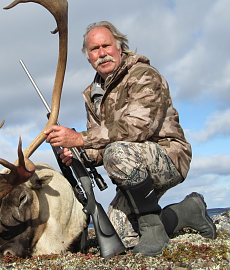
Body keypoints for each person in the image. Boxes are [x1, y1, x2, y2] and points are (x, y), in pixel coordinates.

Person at [44, 21, 217, 256]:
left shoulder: (144, 75)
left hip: (168, 157)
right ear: (88, 58)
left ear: (120, 46)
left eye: (106, 45)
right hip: (130, 166)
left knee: (118, 152)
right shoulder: (93, 95)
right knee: (121, 234)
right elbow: (100, 148)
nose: (102, 53)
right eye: (95, 49)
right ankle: (188, 211)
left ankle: (154, 231)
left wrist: (80, 139)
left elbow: (137, 128)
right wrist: (79, 156)